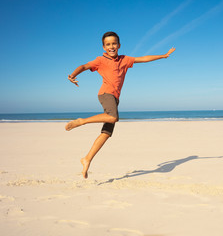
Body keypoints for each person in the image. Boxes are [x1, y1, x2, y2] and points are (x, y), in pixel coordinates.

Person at [65, 31, 175, 179]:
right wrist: (73, 75)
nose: (111, 46)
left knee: (106, 133)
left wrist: (163, 56)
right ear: (104, 47)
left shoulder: (124, 59)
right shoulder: (100, 60)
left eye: (114, 43)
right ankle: (81, 121)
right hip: (105, 94)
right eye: (108, 44)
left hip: (115, 99)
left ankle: (87, 159)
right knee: (112, 117)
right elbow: (84, 66)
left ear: (119, 45)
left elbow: (142, 59)